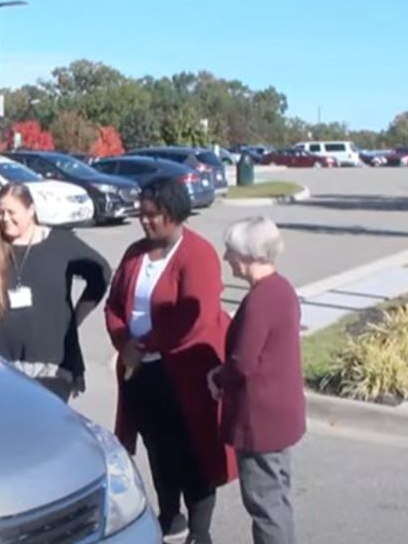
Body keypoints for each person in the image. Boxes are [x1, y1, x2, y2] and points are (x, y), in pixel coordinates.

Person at [104, 177, 236, 543]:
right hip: (141, 371)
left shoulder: (198, 254)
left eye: (154, 215)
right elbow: (114, 304)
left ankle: (199, 529)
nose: (145, 221)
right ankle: (169, 514)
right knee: (157, 448)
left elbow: (196, 317)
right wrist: (124, 340)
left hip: (183, 372)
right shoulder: (135, 254)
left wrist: (144, 344)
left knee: (191, 451)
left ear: (175, 213)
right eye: (141, 214)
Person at [0, 183, 111, 402]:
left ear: (31, 210)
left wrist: (76, 318)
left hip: (52, 366)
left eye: (11, 212)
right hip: (0, 367)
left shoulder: (60, 244)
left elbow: (101, 273)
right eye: (0, 213)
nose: (5, 219)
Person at [207, 216, 305, 544]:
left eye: (230, 252)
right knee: (278, 498)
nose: (226, 259)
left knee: (265, 504)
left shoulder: (261, 300)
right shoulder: (283, 289)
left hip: (259, 418)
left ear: (248, 255)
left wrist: (218, 377)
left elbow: (243, 362)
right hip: (281, 413)